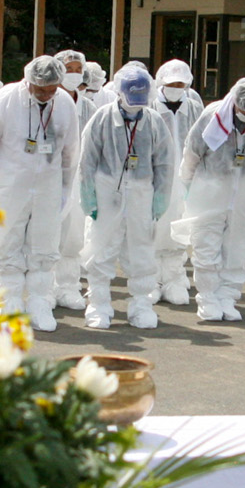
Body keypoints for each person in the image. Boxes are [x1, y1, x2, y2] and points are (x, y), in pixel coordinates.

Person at [0, 55, 78, 331]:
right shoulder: (8, 98)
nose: (46, 94)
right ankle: (9, 301)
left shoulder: (65, 103)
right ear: (29, 81)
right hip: (11, 185)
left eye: (52, 89)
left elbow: (71, 150)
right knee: (8, 242)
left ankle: (39, 303)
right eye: (41, 89)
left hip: (49, 185)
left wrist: (66, 189)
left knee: (44, 246)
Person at [78, 63, 174, 329]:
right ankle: (98, 304)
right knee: (100, 249)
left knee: (141, 249)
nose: (135, 106)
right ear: (120, 92)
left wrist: (160, 198)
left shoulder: (153, 121)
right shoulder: (101, 118)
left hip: (143, 193)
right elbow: (86, 161)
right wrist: (88, 197)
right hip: (106, 191)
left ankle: (141, 305)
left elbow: (165, 163)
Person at [177, 77, 245, 322]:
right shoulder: (212, 116)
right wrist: (187, 186)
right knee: (206, 248)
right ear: (235, 102)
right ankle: (208, 297)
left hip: (243, 194)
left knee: (238, 248)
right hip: (208, 193)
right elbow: (192, 153)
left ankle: (228, 297)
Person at [150, 58, 203, 304]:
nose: (176, 87)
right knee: (152, 230)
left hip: (185, 179)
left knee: (179, 230)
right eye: (172, 83)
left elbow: (202, 141)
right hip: (152, 179)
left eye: (181, 83)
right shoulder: (149, 107)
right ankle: (150, 279)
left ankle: (173, 277)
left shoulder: (193, 107)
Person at [53, 50, 92, 311]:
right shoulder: (48, 99)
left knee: (72, 237)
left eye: (78, 68)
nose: (74, 73)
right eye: (69, 68)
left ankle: (67, 286)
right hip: (48, 177)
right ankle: (43, 290)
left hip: (78, 179)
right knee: (45, 235)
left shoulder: (88, 106)